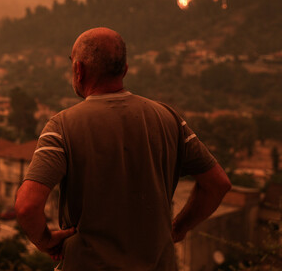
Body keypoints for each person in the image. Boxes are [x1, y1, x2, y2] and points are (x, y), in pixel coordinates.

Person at [15, 28, 231, 270]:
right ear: (125, 70)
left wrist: (45, 241)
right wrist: (178, 228)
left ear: (79, 69)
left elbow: (26, 206)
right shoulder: (169, 118)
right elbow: (218, 184)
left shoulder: (62, 126)